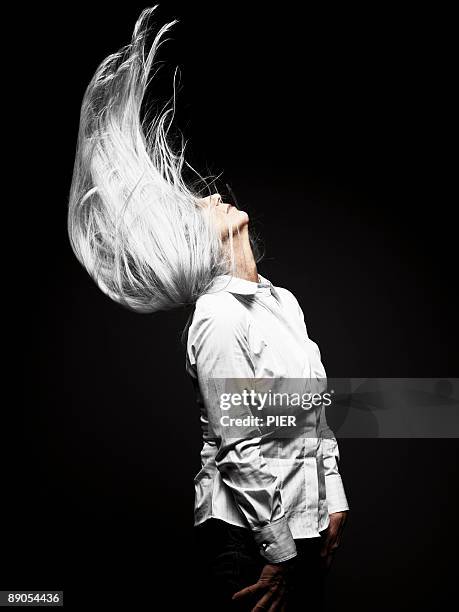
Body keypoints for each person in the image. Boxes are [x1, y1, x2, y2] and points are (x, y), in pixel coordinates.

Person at [67, 7, 349, 611]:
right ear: (200, 243)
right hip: (249, 538)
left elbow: (313, 413)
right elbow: (241, 448)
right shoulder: (219, 318)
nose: (215, 197)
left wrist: (336, 499)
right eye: (202, 208)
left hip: (301, 527)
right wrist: (277, 554)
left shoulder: (283, 304)